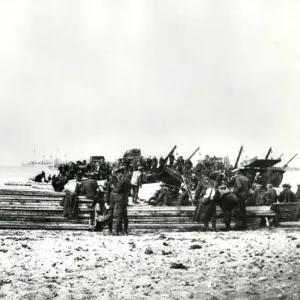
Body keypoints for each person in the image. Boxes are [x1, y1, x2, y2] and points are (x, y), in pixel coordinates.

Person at [110, 167, 132, 235]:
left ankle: (116, 231)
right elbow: (129, 188)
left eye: (118, 174)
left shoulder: (122, 180)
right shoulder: (128, 180)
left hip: (119, 199)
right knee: (125, 216)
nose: (117, 175)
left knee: (118, 216)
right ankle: (125, 231)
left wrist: (114, 188)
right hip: (125, 199)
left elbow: (117, 190)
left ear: (120, 173)